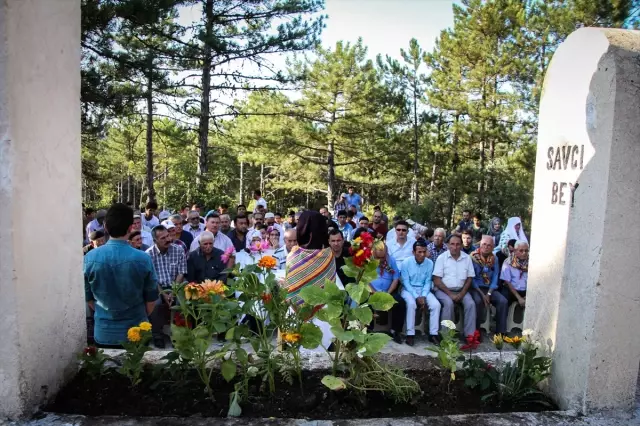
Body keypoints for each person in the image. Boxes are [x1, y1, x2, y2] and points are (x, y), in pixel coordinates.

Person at [84, 203, 158, 347]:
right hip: (137, 331)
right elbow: (151, 300)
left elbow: (89, 299)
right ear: (131, 227)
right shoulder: (143, 258)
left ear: (105, 226)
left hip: (104, 332)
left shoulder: (90, 257)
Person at [146, 225, 187, 348]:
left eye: (168, 236)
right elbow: (152, 279)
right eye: (163, 238)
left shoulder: (178, 249)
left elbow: (182, 272)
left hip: (175, 285)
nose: (168, 239)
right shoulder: (148, 254)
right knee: (156, 303)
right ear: (155, 241)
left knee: (181, 302)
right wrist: (164, 294)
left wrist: (173, 292)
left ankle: (178, 335)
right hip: (157, 287)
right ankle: (157, 335)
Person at [433, 234, 477, 340]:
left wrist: (462, 293)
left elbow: (469, 278)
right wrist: (450, 294)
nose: (455, 247)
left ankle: (469, 336)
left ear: (461, 245)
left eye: (458, 244)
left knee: (471, 304)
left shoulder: (467, 258)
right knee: (448, 304)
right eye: (452, 244)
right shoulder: (442, 258)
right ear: (448, 245)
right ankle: (446, 336)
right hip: (443, 290)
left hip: (462, 290)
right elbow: (437, 280)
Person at [400, 239, 441, 346]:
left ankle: (433, 334)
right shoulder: (406, 263)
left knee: (436, 305)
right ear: (413, 252)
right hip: (408, 290)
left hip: (424, 290)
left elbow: (428, 281)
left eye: (424, 252)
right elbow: (406, 282)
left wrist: (423, 295)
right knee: (411, 303)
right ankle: (410, 334)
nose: (422, 255)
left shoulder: (429, 263)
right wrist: (416, 296)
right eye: (419, 252)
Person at [470, 236, 508, 336]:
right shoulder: (472, 257)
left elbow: (495, 276)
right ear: (480, 245)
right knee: (478, 301)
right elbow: (471, 279)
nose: (486, 247)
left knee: (503, 301)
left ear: (493, 247)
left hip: (489, 288)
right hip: (476, 288)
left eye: (489, 245)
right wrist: (483, 295)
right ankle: (476, 333)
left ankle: (500, 332)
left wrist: (489, 293)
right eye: (484, 244)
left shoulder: (494, 259)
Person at [370, 240, 405, 343]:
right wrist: (373, 292)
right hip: (372, 291)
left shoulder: (391, 260)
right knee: (364, 303)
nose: (380, 260)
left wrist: (388, 293)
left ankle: (396, 331)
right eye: (378, 257)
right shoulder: (368, 261)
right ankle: (367, 329)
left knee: (400, 302)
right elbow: (364, 280)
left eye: (383, 257)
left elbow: (395, 278)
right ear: (373, 253)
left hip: (388, 291)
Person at [501, 241, 529, 307]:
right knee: (503, 300)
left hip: (526, 291)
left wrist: (528, 295)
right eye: (521, 251)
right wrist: (519, 298)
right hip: (511, 290)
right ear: (515, 251)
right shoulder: (508, 262)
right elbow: (507, 282)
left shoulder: (531, 262)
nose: (524, 253)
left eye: (526, 250)